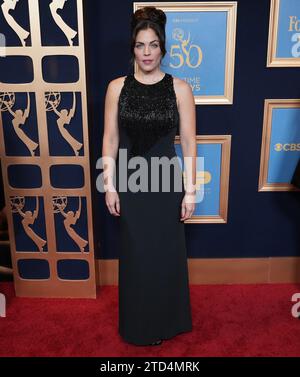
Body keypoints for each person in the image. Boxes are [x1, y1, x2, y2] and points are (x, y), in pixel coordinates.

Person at [102, 6, 196, 346]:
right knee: (137, 256)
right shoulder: (116, 88)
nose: (146, 53)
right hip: (131, 181)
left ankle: (167, 322)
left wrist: (190, 191)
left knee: (165, 253)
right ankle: (139, 324)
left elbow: (188, 142)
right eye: (141, 45)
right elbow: (110, 140)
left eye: (153, 45)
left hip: (166, 181)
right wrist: (109, 185)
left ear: (163, 47)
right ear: (132, 47)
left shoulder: (180, 89)